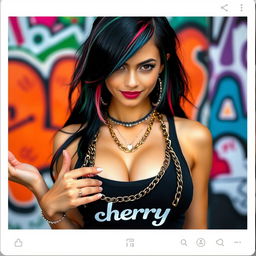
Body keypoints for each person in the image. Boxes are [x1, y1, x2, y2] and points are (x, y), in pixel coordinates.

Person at [8, 17, 212, 229]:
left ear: (162, 64)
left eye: (146, 67)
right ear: (102, 65)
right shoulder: (70, 141)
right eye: (119, 67)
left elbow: (197, 235)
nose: (132, 82)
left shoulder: (193, 138)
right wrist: (42, 193)